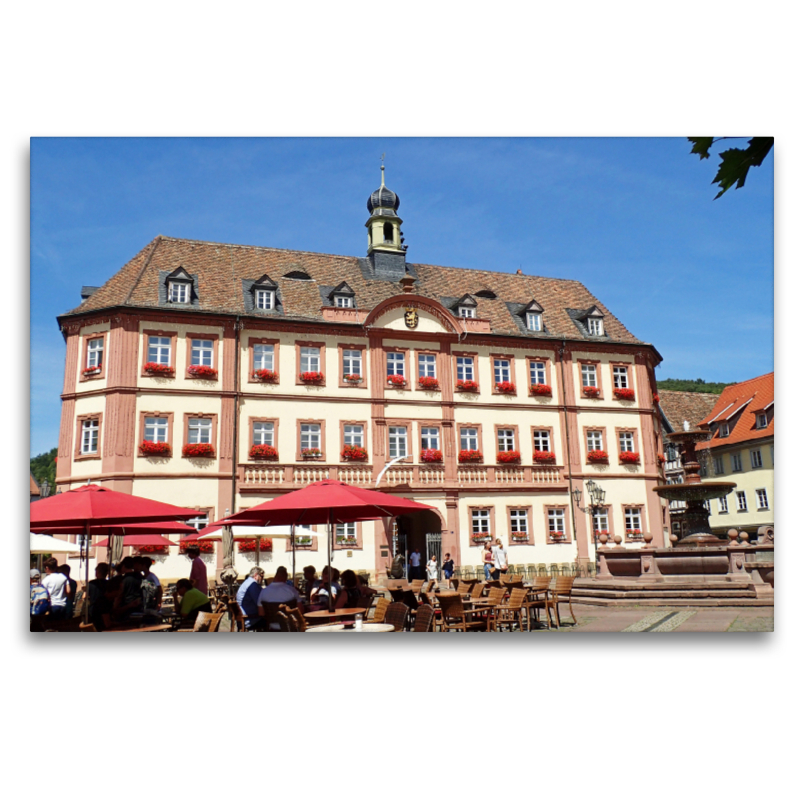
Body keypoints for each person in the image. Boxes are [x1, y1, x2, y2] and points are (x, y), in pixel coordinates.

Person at [113, 557, 143, 622]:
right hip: (140, 606)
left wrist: (115, 609)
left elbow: (119, 596)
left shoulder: (123, 580)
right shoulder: (140, 576)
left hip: (126, 609)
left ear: (123, 566)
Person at [87, 562, 111, 630]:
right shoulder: (109, 583)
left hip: (93, 610)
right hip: (106, 609)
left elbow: (85, 596)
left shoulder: (91, 583)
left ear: (98, 572)